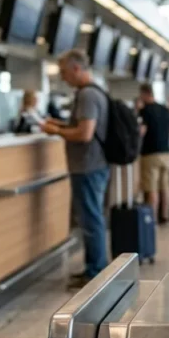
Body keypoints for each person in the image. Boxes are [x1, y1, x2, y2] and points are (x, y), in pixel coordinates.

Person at [41, 50, 110, 285]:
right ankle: (94, 267)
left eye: (64, 72)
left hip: (88, 166)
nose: (62, 77)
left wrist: (56, 131)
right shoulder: (94, 92)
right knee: (92, 217)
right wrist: (61, 124)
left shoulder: (87, 95)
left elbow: (84, 134)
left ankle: (95, 271)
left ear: (76, 69)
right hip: (93, 165)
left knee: (91, 219)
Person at [137, 83, 169, 223]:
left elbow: (141, 131)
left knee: (152, 188)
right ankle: (165, 216)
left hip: (150, 153)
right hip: (166, 153)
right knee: (165, 187)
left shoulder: (145, 110)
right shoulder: (165, 109)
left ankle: (152, 219)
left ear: (145, 94)